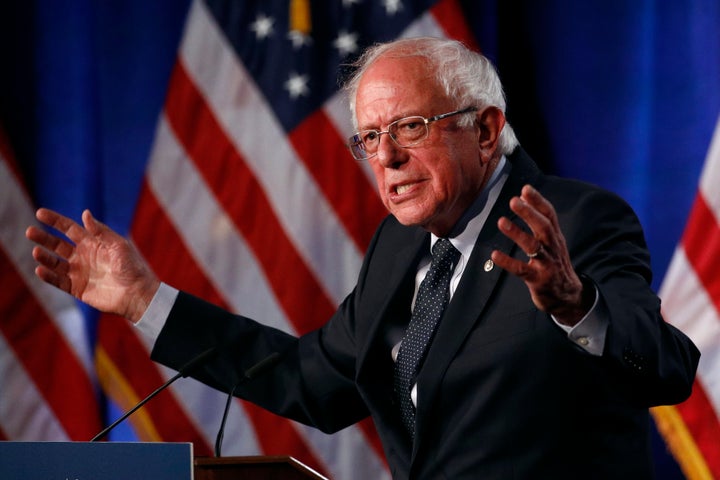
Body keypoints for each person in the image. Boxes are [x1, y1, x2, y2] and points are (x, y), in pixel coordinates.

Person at [27, 37, 699, 479]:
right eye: (370, 137)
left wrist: (578, 307)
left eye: (409, 127)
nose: (386, 158)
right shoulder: (402, 246)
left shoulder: (575, 221)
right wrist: (147, 300)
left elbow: (666, 370)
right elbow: (309, 382)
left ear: (486, 129)